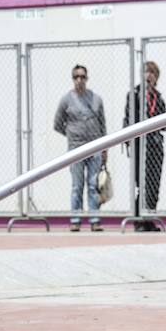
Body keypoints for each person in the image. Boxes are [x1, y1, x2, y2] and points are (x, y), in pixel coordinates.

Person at [54, 64, 107, 232]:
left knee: (93, 185)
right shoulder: (66, 100)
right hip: (75, 149)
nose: (80, 80)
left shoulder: (96, 99)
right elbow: (57, 124)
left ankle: (94, 220)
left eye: (83, 77)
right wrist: (72, 135)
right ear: (72, 79)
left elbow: (102, 125)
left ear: (87, 78)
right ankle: (75, 220)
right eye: (76, 77)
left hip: (95, 148)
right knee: (77, 185)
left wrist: (105, 147)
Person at [124, 61, 166, 231]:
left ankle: (149, 218)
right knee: (141, 183)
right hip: (139, 144)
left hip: (155, 145)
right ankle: (139, 220)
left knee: (153, 184)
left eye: (152, 73)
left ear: (156, 77)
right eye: (146, 72)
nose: (149, 75)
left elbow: (165, 122)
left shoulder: (158, 97)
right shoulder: (134, 94)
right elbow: (129, 117)